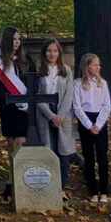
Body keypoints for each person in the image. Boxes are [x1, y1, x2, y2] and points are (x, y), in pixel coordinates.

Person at [0, 27, 31, 200]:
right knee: (12, 146)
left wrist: (26, 102)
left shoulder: (26, 61)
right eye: (13, 39)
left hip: (25, 109)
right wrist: (7, 102)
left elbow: (32, 82)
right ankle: (11, 181)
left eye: (19, 39)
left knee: (21, 142)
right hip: (8, 110)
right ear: (7, 41)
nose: (17, 42)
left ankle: (16, 182)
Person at [35, 38, 76, 200]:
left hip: (62, 114)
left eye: (55, 51)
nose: (51, 54)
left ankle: (62, 188)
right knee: (48, 148)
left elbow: (69, 94)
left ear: (59, 53)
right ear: (44, 53)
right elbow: (37, 96)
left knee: (63, 151)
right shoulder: (39, 70)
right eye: (49, 51)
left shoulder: (66, 70)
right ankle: (48, 186)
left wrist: (60, 115)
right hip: (45, 113)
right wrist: (51, 116)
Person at [73, 53, 111, 203]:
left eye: (99, 64)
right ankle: (92, 190)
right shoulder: (77, 84)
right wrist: (89, 125)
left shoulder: (103, 83)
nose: (98, 67)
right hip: (85, 121)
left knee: (102, 156)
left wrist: (98, 124)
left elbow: (107, 105)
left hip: (100, 120)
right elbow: (77, 107)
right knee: (89, 157)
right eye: (95, 64)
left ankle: (104, 190)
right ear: (87, 66)